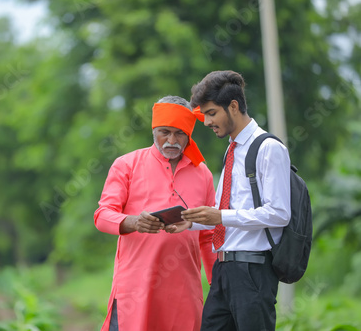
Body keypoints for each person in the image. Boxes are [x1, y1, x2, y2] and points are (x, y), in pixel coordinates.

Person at [178, 70, 291, 330]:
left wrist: (221, 216)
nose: (206, 122)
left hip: (253, 269)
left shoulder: (268, 148)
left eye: (211, 113)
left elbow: (279, 213)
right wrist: (190, 223)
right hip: (223, 268)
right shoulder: (232, 149)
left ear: (233, 106)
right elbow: (224, 212)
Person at [94, 95, 217, 331]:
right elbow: (102, 216)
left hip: (185, 292)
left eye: (179, 133)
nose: (171, 140)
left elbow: (209, 235)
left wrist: (217, 284)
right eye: (164, 132)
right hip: (135, 290)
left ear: (189, 134)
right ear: (154, 131)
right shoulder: (127, 164)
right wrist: (133, 222)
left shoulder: (203, 173)